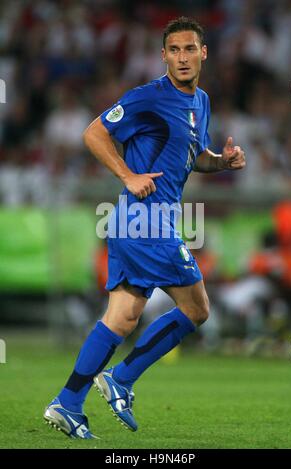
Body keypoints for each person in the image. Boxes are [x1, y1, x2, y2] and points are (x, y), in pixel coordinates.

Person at [44, 16, 246, 439]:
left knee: (122, 317)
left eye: (190, 49)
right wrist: (126, 175)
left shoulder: (201, 102)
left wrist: (220, 162)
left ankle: (68, 402)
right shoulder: (147, 97)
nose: (182, 57)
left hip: (139, 221)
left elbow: (194, 157)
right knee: (197, 308)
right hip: (145, 220)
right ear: (163, 56)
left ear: (203, 53)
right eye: (174, 50)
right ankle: (122, 378)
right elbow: (94, 132)